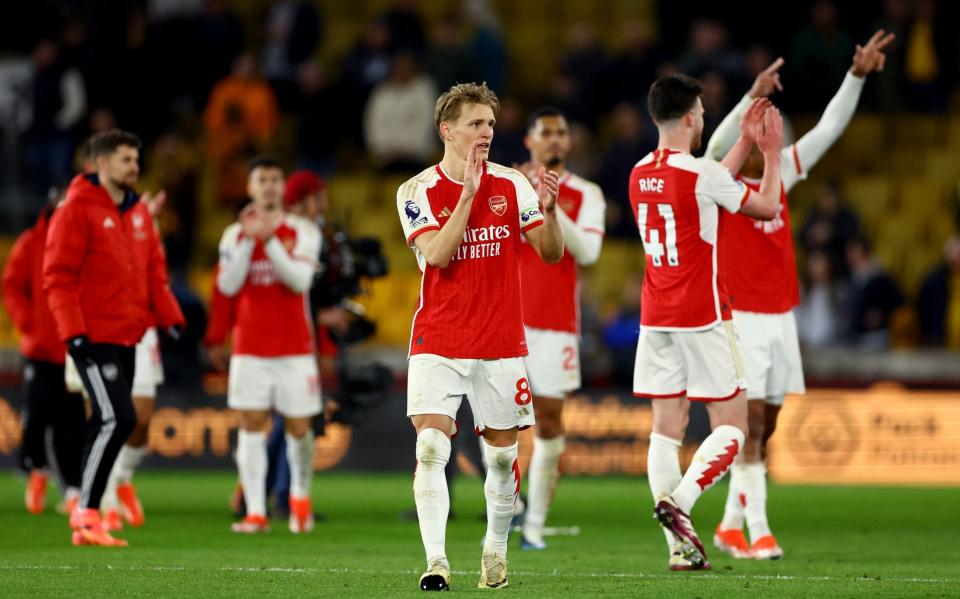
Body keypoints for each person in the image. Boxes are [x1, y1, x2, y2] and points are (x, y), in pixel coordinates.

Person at [705, 31, 894, 560]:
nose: (775, 128)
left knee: (766, 429)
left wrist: (855, 76)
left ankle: (728, 525)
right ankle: (760, 529)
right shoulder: (716, 180)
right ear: (747, 129)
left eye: (776, 123)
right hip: (738, 316)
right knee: (749, 426)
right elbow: (717, 144)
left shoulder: (781, 170)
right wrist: (749, 97)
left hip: (780, 316)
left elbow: (831, 126)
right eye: (764, 123)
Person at [397, 82, 563, 591]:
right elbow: (440, 254)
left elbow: (551, 253)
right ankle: (436, 562)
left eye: (490, 123)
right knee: (430, 447)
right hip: (439, 339)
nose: (487, 132)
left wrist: (551, 212)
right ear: (447, 130)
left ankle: (494, 552)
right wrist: (468, 194)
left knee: (501, 457)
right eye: (475, 123)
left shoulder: (513, 184)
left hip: (499, 343)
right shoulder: (416, 191)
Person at [630, 75, 784, 571]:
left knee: (665, 429)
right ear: (693, 117)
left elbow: (706, 184)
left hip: (655, 316)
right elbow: (764, 206)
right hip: (704, 314)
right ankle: (683, 502)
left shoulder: (637, 174)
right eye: (701, 111)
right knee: (735, 429)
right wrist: (771, 152)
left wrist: (742, 139)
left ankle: (678, 547)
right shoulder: (699, 174)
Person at [43, 129, 185, 547]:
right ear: (101, 164)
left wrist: (170, 317)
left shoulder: (138, 213)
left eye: (136, 159)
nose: (135, 167)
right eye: (126, 160)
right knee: (117, 417)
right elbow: (57, 277)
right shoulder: (76, 211)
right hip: (91, 336)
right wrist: (73, 332)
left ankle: (88, 510)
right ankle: (87, 512)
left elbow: (153, 273)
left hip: (129, 335)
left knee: (115, 420)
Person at [514, 106, 605, 550]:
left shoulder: (587, 193)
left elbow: (587, 251)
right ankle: (508, 507)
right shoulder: (507, 188)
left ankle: (534, 523)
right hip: (507, 321)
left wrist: (548, 203)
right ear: (530, 141)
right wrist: (525, 191)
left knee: (549, 420)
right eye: (545, 132)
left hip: (555, 326)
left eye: (561, 133)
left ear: (569, 142)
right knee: (498, 422)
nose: (554, 139)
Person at [216, 157, 322, 535]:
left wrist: (269, 240)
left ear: (282, 186)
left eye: (276, 179)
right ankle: (256, 512)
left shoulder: (303, 230)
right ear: (250, 188)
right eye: (261, 180)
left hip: (294, 347)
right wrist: (249, 242)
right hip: (250, 347)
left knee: (299, 429)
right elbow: (227, 287)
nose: (269, 186)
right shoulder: (233, 234)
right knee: (250, 426)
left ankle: (299, 497)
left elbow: (299, 281)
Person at [3, 205, 85, 516]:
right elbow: (11, 285)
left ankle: (74, 491)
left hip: (73, 347)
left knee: (73, 424)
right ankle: (37, 468)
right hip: (40, 349)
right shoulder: (30, 242)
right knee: (36, 417)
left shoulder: (80, 242)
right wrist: (27, 321)